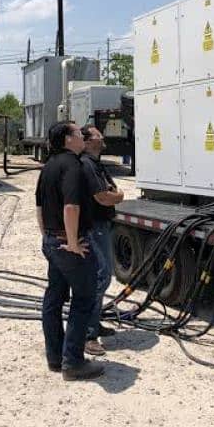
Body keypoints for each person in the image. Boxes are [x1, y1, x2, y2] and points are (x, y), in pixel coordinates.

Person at [35, 121, 105, 381]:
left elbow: (39, 208)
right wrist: (73, 242)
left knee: (53, 298)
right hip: (69, 244)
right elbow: (71, 207)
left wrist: (47, 238)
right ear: (67, 140)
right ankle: (73, 362)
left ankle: (55, 357)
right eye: (78, 134)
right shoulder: (73, 165)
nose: (83, 137)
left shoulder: (48, 167)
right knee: (84, 298)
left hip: (52, 242)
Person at [79, 125, 125, 356]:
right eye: (97, 134)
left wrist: (113, 193)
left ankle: (93, 324)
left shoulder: (96, 163)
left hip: (101, 225)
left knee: (103, 276)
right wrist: (119, 196)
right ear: (87, 142)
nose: (102, 136)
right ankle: (88, 335)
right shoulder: (87, 165)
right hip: (94, 226)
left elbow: (111, 189)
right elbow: (105, 196)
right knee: (100, 277)